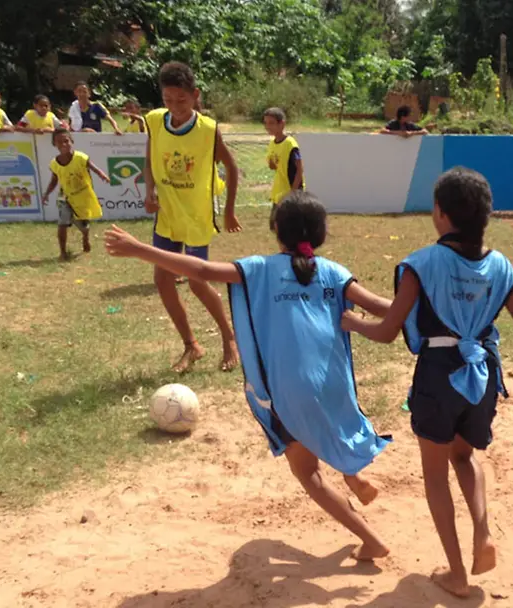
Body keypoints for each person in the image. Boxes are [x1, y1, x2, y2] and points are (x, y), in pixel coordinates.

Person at [103, 191, 394, 561]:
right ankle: (354, 474)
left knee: (309, 475)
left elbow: (202, 271)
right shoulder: (335, 273)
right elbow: (386, 308)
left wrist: (139, 248)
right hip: (336, 385)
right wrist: (425, 297)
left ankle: (371, 539)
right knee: (324, 421)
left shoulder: (257, 268)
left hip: (289, 389)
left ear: (276, 228)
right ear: (320, 234)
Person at [342, 167, 513, 598]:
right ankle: (484, 532)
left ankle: (458, 573)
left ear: (441, 214)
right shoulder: (501, 265)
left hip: (438, 374)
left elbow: (389, 330)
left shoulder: (420, 264)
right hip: (481, 374)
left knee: (435, 473)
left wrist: (354, 323)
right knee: (464, 457)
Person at [143, 61, 241, 373]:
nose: (175, 107)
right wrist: (149, 190)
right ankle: (191, 345)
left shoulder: (208, 130)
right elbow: (148, 158)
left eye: (181, 100)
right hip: (168, 215)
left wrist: (227, 210)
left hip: (197, 217)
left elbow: (232, 167)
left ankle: (229, 337)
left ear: (195, 95)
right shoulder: (155, 122)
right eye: (168, 100)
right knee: (162, 279)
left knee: (199, 284)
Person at [42, 128, 109, 260]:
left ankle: (85, 236)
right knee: (62, 223)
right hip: (65, 197)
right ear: (54, 144)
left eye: (66, 141)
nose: (63, 144)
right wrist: (46, 194)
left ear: (72, 141)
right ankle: (63, 252)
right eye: (59, 142)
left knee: (83, 225)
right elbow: (54, 180)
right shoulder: (54, 164)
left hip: (82, 196)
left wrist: (102, 175)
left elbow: (93, 167)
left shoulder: (80, 157)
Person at [263, 107, 304, 229]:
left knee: (288, 227)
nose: (268, 126)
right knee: (275, 226)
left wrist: (293, 192)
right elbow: (273, 166)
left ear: (282, 124)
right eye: (265, 123)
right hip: (279, 191)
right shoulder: (272, 143)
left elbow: (300, 169)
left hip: (291, 191)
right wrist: (272, 163)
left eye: (271, 123)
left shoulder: (290, 144)